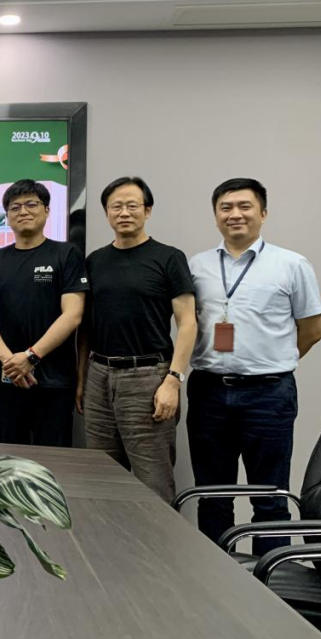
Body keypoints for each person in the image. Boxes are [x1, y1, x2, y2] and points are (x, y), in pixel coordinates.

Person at [188, 178, 321, 554]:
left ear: (263, 213)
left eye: (244, 206)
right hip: (209, 392)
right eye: (226, 207)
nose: (235, 214)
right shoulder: (197, 266)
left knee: (270, 498)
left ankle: (272, 580)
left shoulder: (292, 264)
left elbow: (313, 330)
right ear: (216, 215)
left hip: (268, 395)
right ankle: (214, 576)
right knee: (212, 496)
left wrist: (269, 362)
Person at [77, 177, 196, 502]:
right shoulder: (95, 261)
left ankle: (158, 539)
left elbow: (188, 323)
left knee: (152, 483)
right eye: (116, 206)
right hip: (99, 376)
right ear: (106, 212)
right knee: (101, 480)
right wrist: (82, 377)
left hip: (148, 378)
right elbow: (86, 326)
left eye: (132, 205)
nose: (124, 212)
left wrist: (173, 380)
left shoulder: (169, 258)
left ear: (148, 210)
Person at [0, 179, 87, 446]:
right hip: (6, 378)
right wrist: (9, 361)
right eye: (15, 207)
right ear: (7, 216)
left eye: (31, 204)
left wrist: (31, 356)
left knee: (53, 459)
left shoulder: (66, 253)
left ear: (46, 210)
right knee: (6, 456)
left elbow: (73, 314)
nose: (23, 211)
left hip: (54, 380)